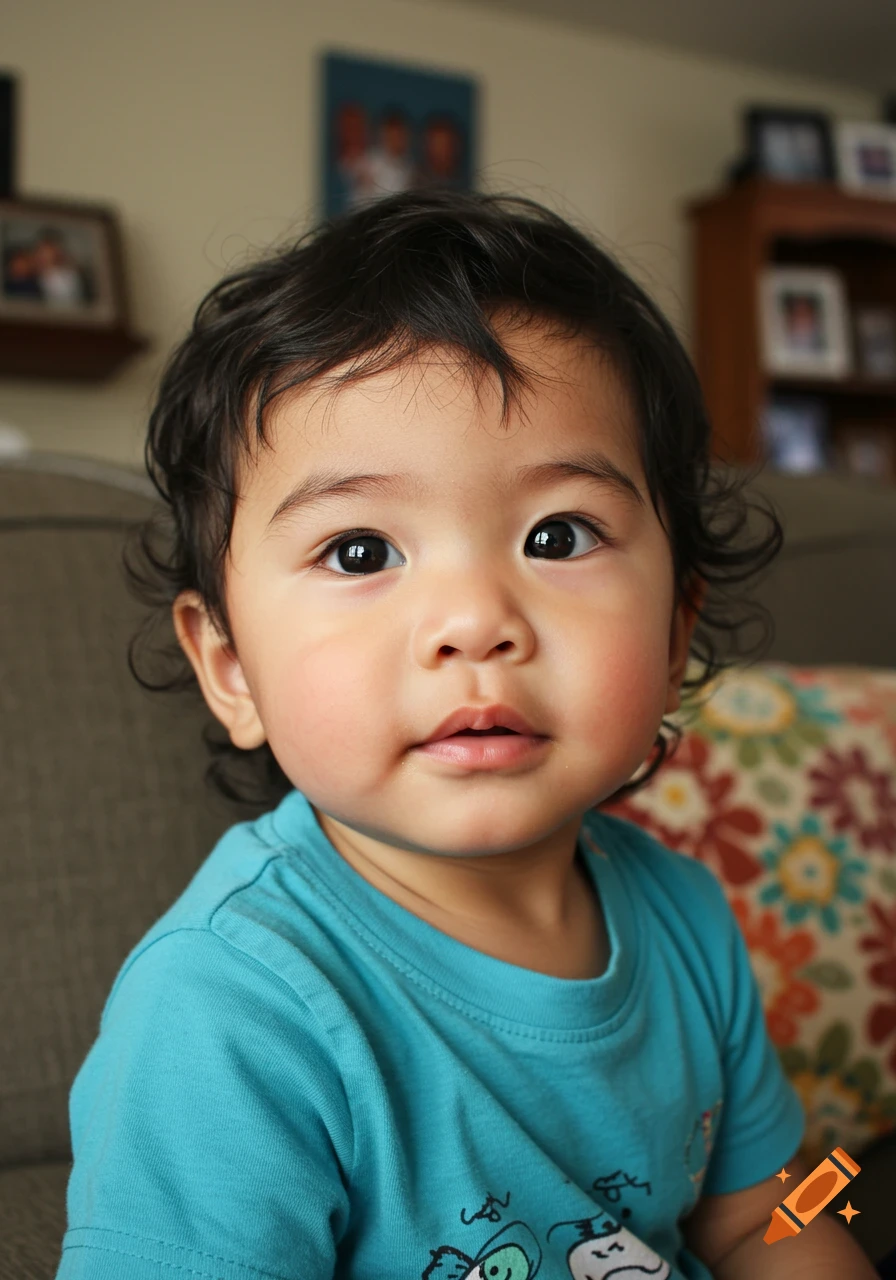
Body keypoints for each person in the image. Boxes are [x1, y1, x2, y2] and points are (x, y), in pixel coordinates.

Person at [55, 190, 878, 1279]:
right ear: (230, 668)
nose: (474, 620)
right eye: (359, 551)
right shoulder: (226, 1007)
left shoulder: (683, 917)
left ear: (677, 627)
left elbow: (764, 1212)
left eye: (557, 533)